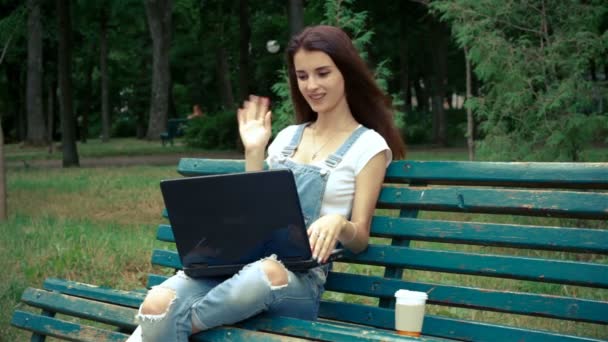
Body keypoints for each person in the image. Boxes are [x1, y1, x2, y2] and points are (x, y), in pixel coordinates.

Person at [127, 25, 405, 342]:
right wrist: (255, 151)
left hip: (297, 282)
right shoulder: (287, 138)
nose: (312, 85)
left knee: (262, 276)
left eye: (322, 73)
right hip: (240, 267)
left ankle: (160, 330)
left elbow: (361, 238)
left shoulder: (369, 146)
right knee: (156, 303)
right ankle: (159, 325)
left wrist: (338, 222)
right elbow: (252, 214)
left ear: (346, 72)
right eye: (302, 76)